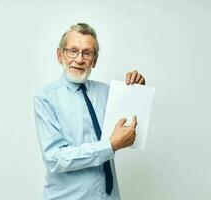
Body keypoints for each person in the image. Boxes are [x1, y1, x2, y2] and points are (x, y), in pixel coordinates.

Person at [34, 23, 145, 200]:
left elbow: (130, 134)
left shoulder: (107, 93)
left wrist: (137, 93)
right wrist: (109, 146)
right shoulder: (46, 98)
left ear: (95, 60)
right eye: (72, 51)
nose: (79, 59)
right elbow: (54, 159)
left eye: (87, 53)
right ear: (59, 55)